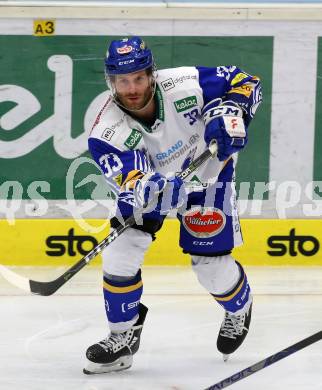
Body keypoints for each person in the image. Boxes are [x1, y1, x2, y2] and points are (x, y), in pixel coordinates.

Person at [84, 36, 262, 374]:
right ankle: (122, 337)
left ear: (152, 73)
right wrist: (148, 187)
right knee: (121, 251)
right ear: (111, 82)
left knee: (210, 269)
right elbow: (131, 179)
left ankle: (239, 307)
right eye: (122, 81)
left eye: (138, 77)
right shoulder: (105, 132)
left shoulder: (185, 82)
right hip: (151, 187)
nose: (132, 88)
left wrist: (230, 111)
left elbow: (245, 80)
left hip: (208, 174)